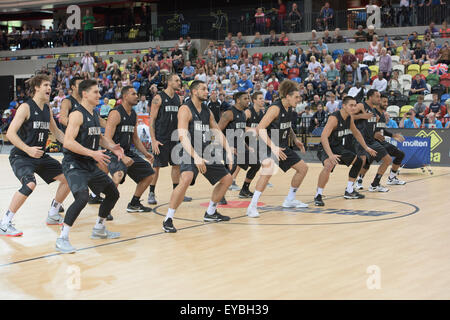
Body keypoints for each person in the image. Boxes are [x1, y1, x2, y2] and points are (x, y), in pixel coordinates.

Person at [56, 79, 125, 253]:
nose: (99, 95)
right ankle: (62, 238)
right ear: (85, 94)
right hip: (74, 164)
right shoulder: (77, 114)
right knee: (82, 197)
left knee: (112, 193)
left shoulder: (94, 114)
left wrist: (112, 147)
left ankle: (99, 229)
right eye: (95, 92)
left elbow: (98, 136)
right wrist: (92, 153)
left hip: (89, 163)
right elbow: (68, 142)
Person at [1, 75, 69, 237]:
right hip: (21, 156)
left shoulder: (47, 108)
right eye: (45, 85)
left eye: (50, 85)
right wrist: (28, 149)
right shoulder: (25, 107)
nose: (49, 88)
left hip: (40, 156)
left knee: (68, 178)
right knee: (30, 184)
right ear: (37, 87)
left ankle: (53, 214)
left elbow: (57, 132)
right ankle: (5, 223)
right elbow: (10, 133)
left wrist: (73, 144)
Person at [162, 80, 234, 233]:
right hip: (188, 151)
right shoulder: (185, 109)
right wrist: (195, 156)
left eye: (207, 89)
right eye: (204, 89)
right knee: (186, 178)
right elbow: (182, 135)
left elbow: (217, 131)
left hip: (205, 151)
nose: (207, 91)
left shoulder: (207, 110)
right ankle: (168, 218)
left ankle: (211, 212)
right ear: (194, 92)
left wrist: (228, 150)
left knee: (227, 179)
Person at [246, 80, 309, 218]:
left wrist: (295, 139)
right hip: (268, 144)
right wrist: (273, 147)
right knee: (267, 172)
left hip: (282, 145)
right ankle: (252, 206)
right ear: (287, 96)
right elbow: (260, 128)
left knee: (303, 168)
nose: (299, 100)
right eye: (296, 97)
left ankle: (290, 200)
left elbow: (287, 125)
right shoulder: (275, 108)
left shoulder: (290, 108)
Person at [314, 96, 377, 206]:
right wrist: (330, 155)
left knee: (358, 162)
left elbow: (356, 133)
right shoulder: (334, 118)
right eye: (351, 105)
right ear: (343, 106)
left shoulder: (349, 117)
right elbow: (323, 137)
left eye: (355, 105)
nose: (353, 107)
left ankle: (349, 190)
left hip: (337, 147)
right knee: (328, 165)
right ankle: (318, 195)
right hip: (325, 147)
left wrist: (366, 148)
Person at [104, 86, 155, 215]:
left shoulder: (133, 114)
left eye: (137, 94)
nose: (136, 96)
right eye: (133, 94)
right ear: (125, 96)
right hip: (113, 152)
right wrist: (119, 153)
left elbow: (135, 139)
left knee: (150, 174)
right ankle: (106, 209)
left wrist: (146, 153)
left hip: (127, 152)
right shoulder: (115, 113)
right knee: (118, 175)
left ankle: (134, 203)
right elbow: (107, 139)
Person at [148, 74, 192, 205]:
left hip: (174, 138)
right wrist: (153, 140)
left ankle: (176, 192)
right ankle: (151, 192)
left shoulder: (178, 99)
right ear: (169, 82)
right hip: (161, 138)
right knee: (156, 167)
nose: (179, 83)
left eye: (179, 80)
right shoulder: (158, 98)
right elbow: (151, 121)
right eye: (176, 80)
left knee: (176, 165)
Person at [218, 92, 261, 199]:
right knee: (232, 167)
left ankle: (244, 190)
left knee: (256, 164)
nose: (248, 101)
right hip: (228, 148)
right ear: (238, 100)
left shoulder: (242, 114)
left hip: (240, 147)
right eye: (245, 98)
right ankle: (219, 195)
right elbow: (216, 131)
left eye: (249, 98)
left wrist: (247, 147)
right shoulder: (229, 113)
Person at [352, 90, 393, 193]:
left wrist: (376, 133)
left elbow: (371, 126)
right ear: (370, 97)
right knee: (362, 162)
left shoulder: (374, 111)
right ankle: (350, 186)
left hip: (371, 140)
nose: (379, 99)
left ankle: (375, 184)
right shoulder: (361, 106)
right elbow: (348, 116)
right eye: (377, 97)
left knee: (388, 160)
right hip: (361, 140)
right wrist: (362, 116)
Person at [371, 94, 406, 185]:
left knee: (400, 154)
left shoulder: (382, 115)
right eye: (384, 102)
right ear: (379, 102)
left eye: (387, 102)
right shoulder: (372, 113)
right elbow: (367, 128)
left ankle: (391, 178)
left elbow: (381, 129)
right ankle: (359, 182)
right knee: (365, 162)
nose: (386, 104)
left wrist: (392, 135)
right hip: (371, 142)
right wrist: (373, 134)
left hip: (381, 141)